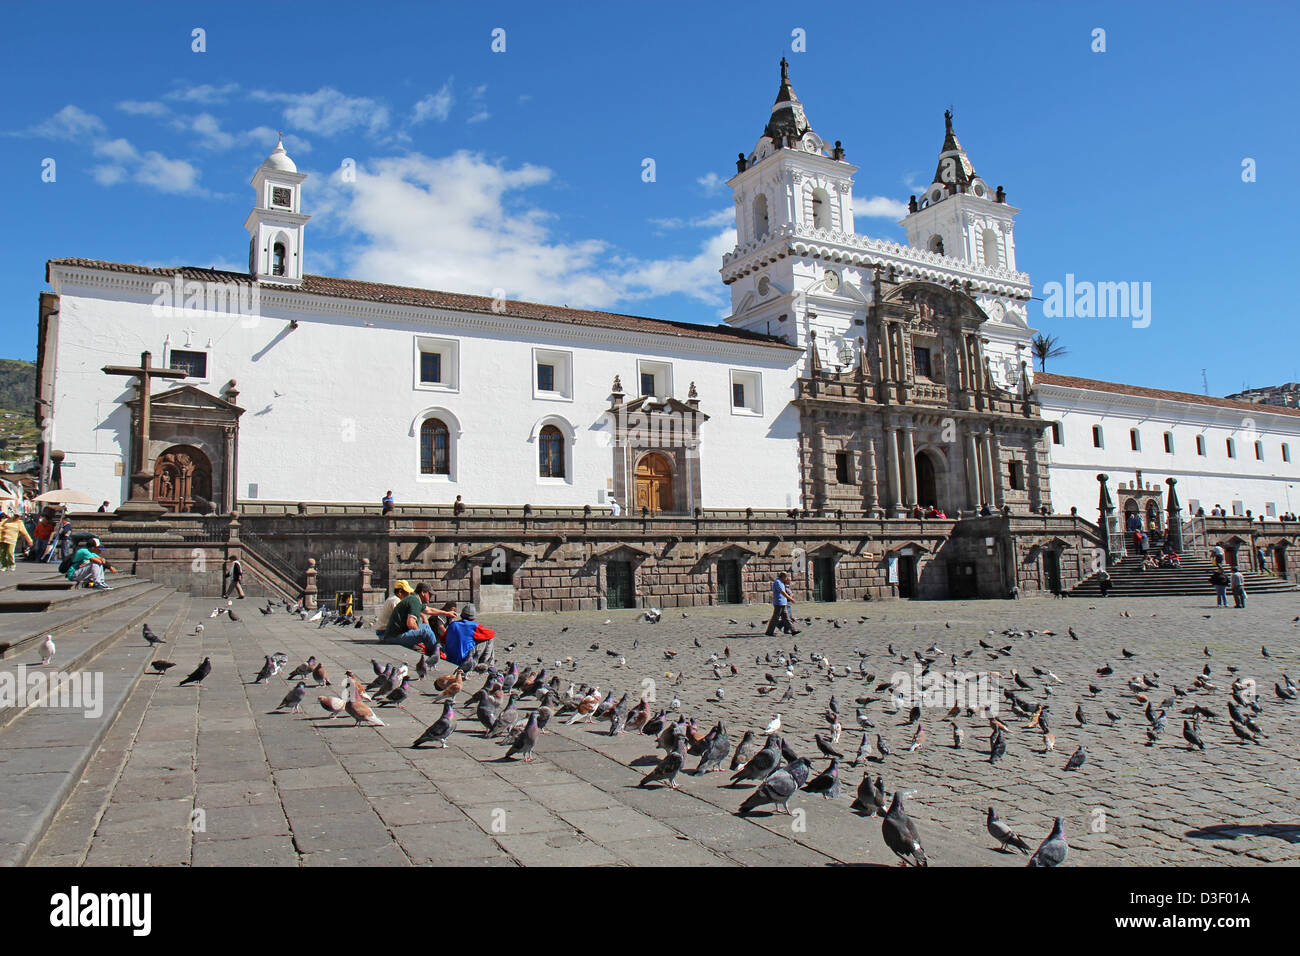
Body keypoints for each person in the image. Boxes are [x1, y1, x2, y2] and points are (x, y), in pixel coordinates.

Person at [440, 603, 496, 668]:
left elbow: (443, 639)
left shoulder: (453, 624)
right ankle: (487, 664)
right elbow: (491, 633)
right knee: (489, 639)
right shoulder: (474, 626)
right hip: (465, 660)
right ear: (473, 617)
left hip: (451, 658)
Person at [765, 572, 799, 636]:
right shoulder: (778, 582)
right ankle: (769, 632)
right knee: (775, 618)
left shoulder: (781, 582)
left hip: (783, 603)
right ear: (783, 576)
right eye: (785, 577)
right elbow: (783, 592)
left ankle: (793, 630)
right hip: (779, 603)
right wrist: (790, 599)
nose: (786, 579)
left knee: (787, 618)